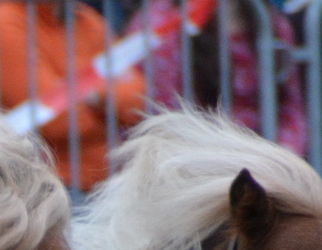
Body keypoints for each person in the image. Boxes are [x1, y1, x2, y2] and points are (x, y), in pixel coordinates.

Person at [0, 0, 146, 194]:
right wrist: (110, 106)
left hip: (102, 183)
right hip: (29, 188)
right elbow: (57, 121)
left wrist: (96, 95)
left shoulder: (86, 19)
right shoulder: (3, 24)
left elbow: (140, 99)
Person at [131, 0, 306, 153]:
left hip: (265, 160)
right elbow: (168, 118)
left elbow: (291, 110)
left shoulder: (271, 22)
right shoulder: (161, 25)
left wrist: (284, 152)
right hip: (195, 162)